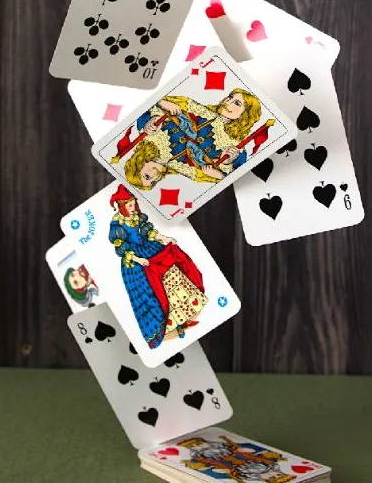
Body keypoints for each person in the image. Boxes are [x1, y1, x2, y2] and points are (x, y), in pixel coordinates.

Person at [108, 184, 207, 349]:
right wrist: (138, 260)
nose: (133, 208)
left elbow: (149, 233)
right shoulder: (117, 226)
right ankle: (168, 328)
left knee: (171, 276)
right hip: (135, 262)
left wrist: (165, 238)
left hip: (150, 248)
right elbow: (120, 248)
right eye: (130, 205)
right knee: (152, 293)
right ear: (121, 206)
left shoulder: (139, 218)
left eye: (134, 204)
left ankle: (183, 318)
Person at [116, 89, 274, 190]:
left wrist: (161, 108)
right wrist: (224, 166)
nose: (227, 102)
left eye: (147, 176)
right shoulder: (180, 168)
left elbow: (152, 101)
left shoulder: (146, 133)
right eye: (154, 181)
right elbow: (228, 177)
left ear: (137, 166)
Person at [178, 434, 294, 482]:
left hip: (239, 460)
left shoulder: (262, 466)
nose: (271, 474)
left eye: (272, 477)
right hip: (225, 462)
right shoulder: (201, 456)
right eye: (195, 446)